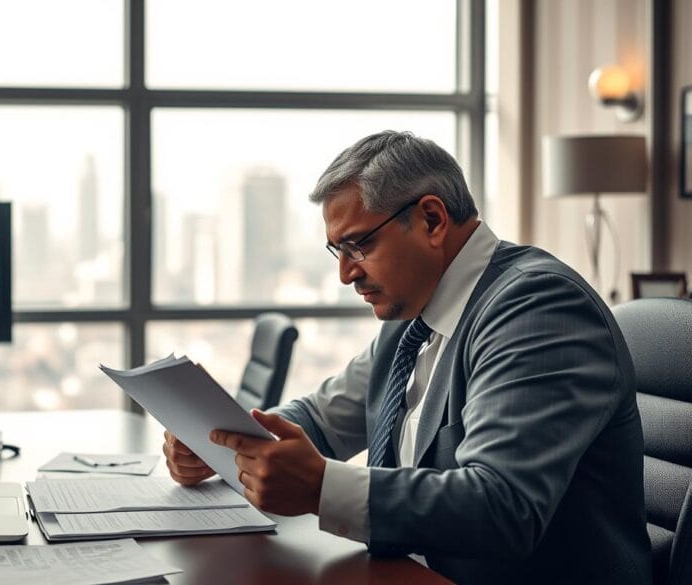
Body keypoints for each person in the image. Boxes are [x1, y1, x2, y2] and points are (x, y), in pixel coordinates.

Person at [162, 131, 652, 584]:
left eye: (359, 244)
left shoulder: (538, 307)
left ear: (432, 219)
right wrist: (222, 443)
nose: (346, 274)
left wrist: (321, 488)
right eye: (338, 251)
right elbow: (321, 418)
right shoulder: (411, 317)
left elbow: (504, 507)